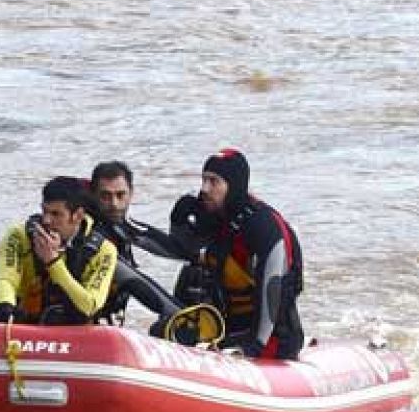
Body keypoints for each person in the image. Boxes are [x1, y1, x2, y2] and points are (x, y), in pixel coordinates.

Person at [169, 148, 305, 358]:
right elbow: (182, 252)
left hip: (273, 339)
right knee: (191, 273)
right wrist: (178, 223)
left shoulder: (263, 226)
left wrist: (254, 346)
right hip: (226, 332)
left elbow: (273, 287)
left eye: (214, 182)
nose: (205, 189)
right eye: (204, 180)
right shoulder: (216, 217)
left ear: (233, 186)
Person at [0, 176, 119, 325]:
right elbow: (6, 278)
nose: (46, 220)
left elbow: (90, 305)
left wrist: (53, 262)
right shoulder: (19, 236)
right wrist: (4, 309)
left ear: (77, 216)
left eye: (56, 214)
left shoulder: (104, 251)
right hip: (26, 323)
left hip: (77, 327)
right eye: (44, 211)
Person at [88, 160, 189, 325]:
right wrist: (186, 318)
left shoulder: (122, 226)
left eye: (120, 195)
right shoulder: (91, 235)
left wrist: (202, 253)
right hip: (80, 327)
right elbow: (133, 280)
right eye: (106, 196)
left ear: (131, 194)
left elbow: (170, 248)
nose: (114, 204)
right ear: (93, 195)